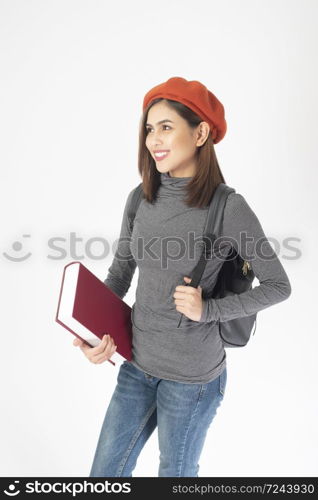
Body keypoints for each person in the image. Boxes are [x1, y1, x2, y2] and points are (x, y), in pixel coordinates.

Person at [73, 76, 292, 477]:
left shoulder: (228, 207)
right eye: (149, 129)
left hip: (192, 382)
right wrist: (91, 329)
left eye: (166, 127)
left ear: (201, 132)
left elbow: (279, 285)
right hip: (137, 365)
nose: (153, 139)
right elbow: (121, 271)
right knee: (103, 477)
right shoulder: (139, 198)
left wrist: (208, 310)